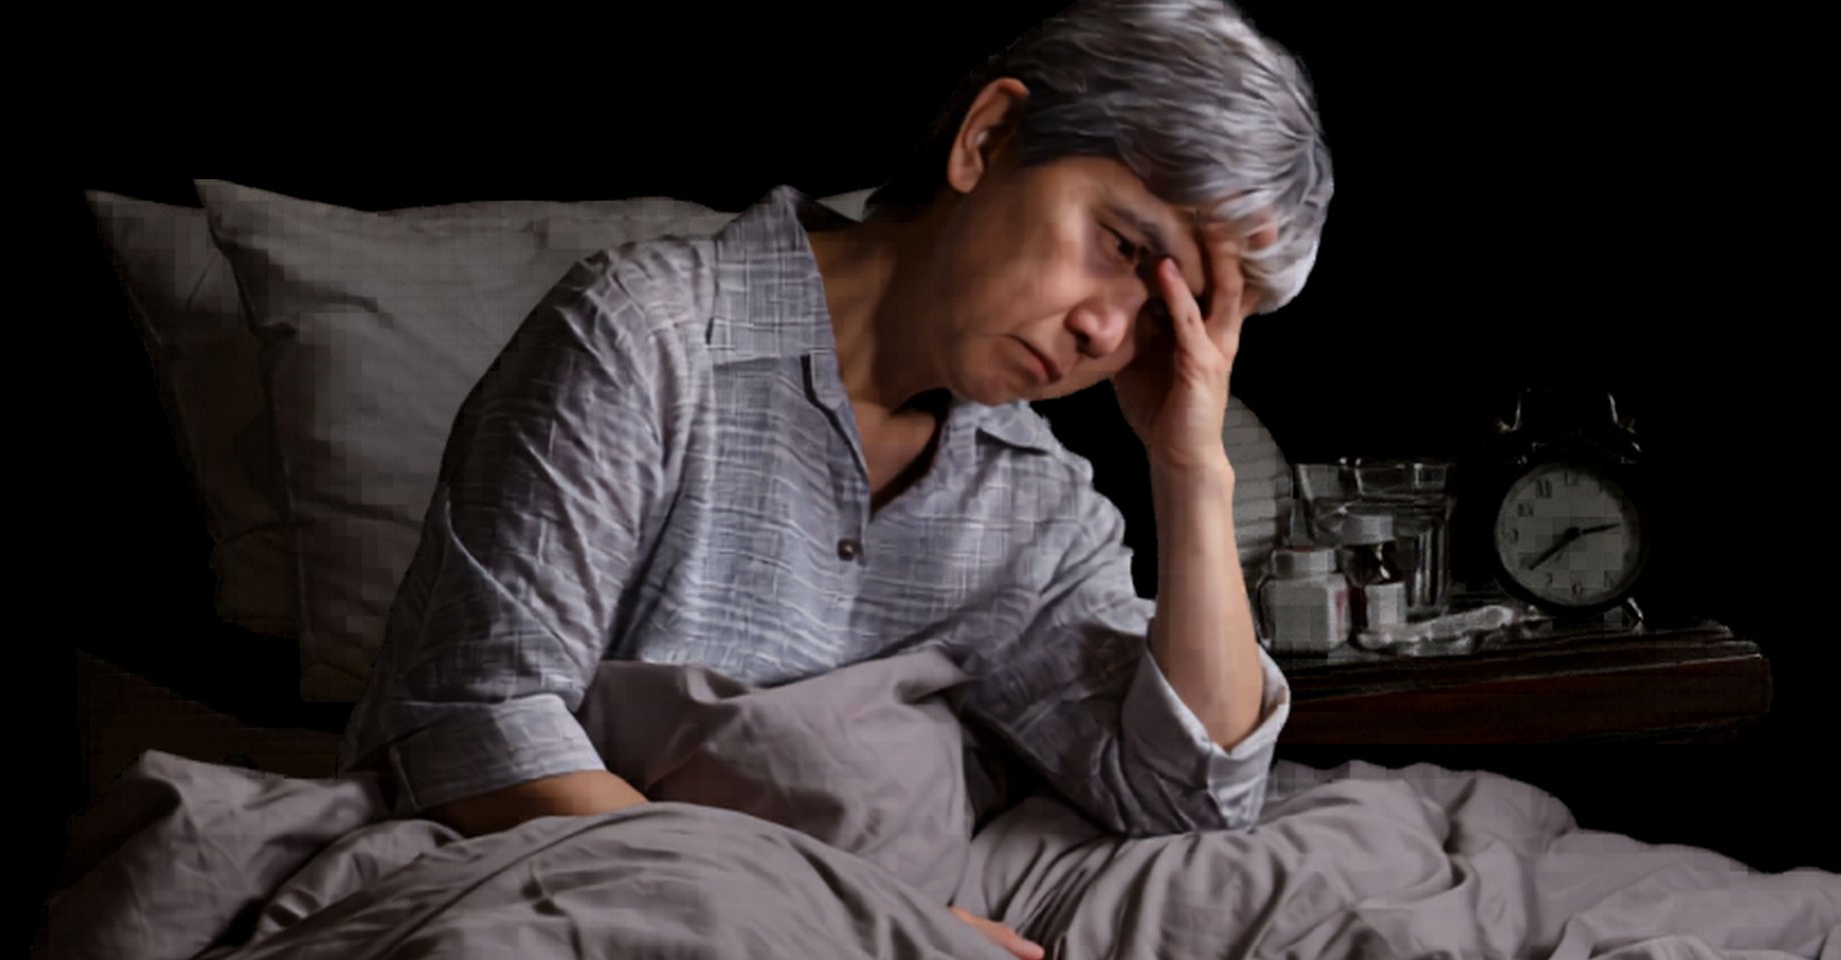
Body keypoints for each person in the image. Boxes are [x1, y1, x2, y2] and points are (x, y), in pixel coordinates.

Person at [338, 0, 1330, 954]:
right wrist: (853, 922)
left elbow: (1188, 795)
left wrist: (1189, 469)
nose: (1108, 330)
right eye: (1121, 247)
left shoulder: (1027, 496)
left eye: (1168, 315)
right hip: (565, 898)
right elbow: (474, 724)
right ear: (988, 138)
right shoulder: (647, 338)